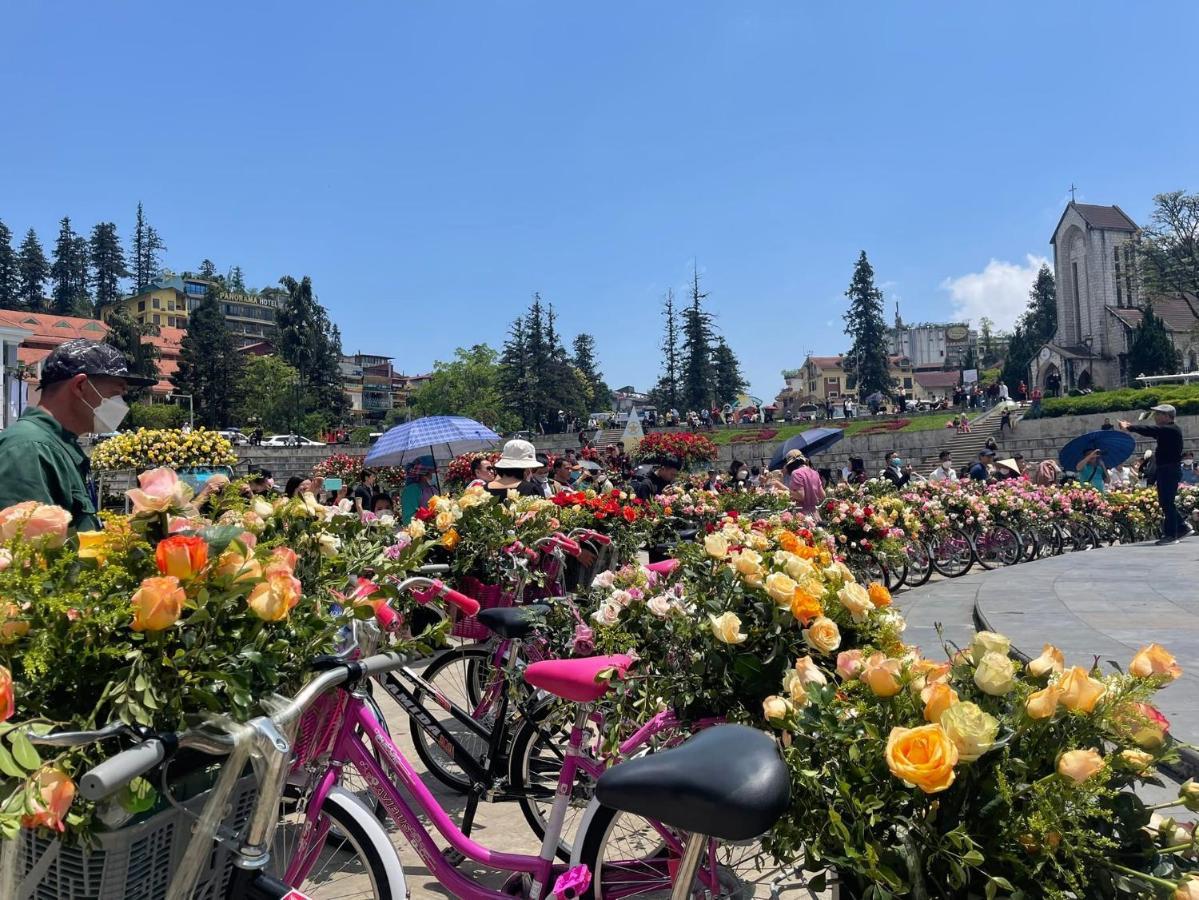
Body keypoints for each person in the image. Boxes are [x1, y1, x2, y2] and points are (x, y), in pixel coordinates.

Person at [0, 339, 156, 529]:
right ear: (80, 386)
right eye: (117, 393)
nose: (122, 404)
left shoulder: (57, 447)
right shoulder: (29, 451)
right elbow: (28, 551)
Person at [1120, 405, 1187, 544]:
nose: (1155, 417)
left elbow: (1150, 430)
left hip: (1169, 470)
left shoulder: (1170, 429)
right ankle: (1182, 527)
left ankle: (1171, 535)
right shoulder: (1167, 431)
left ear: (1168, 416)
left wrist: (1129, 426)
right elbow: (1152, 432)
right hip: (1166, 469)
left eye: (1158, 414)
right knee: (1166, 501)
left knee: (1167, 502)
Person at [785, 450, 825, 516]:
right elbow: (822, 495)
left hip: (802, 515)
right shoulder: (814, 472)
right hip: (815, 514)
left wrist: (786, 491)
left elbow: (800, 496)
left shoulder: (796, 473)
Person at [400, 457, 438, 522]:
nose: (436, 475)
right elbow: (408, 519)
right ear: (424, 474)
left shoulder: (434, 488)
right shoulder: (411, 491)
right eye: (433, 472)